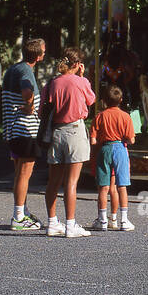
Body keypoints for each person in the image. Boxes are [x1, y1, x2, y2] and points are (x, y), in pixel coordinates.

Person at [43, 48, 96, 238]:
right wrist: (82, 77)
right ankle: (71, 225)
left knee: (53, 181)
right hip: (75, 130)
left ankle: (51, 222)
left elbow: (43, 108)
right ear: (77, 64)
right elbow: (91, 100)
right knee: (71, 182)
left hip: (56, 132)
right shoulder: (81, 82)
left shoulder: (51, 83)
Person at [3, 38, 46, 231]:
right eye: (43, 51)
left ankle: (23, 210)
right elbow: (27, 91)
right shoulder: (26, 71)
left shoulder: (14, 69)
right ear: (38, 56)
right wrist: (29, 106)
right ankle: (18, 217)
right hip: (25, 129)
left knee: (20, 173)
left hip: (13, 129)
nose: (45, 54)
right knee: (24, 173)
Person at [91, 85, 136, 232]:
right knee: (121, 186)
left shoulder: (100, 116)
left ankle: (102, 220)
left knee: (103, 188)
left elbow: (93, 140)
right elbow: (131, 140)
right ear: (121, 100)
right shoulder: (125, 116)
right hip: (119, 148)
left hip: (104, 149)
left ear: (104, 101)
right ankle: (123, 220)